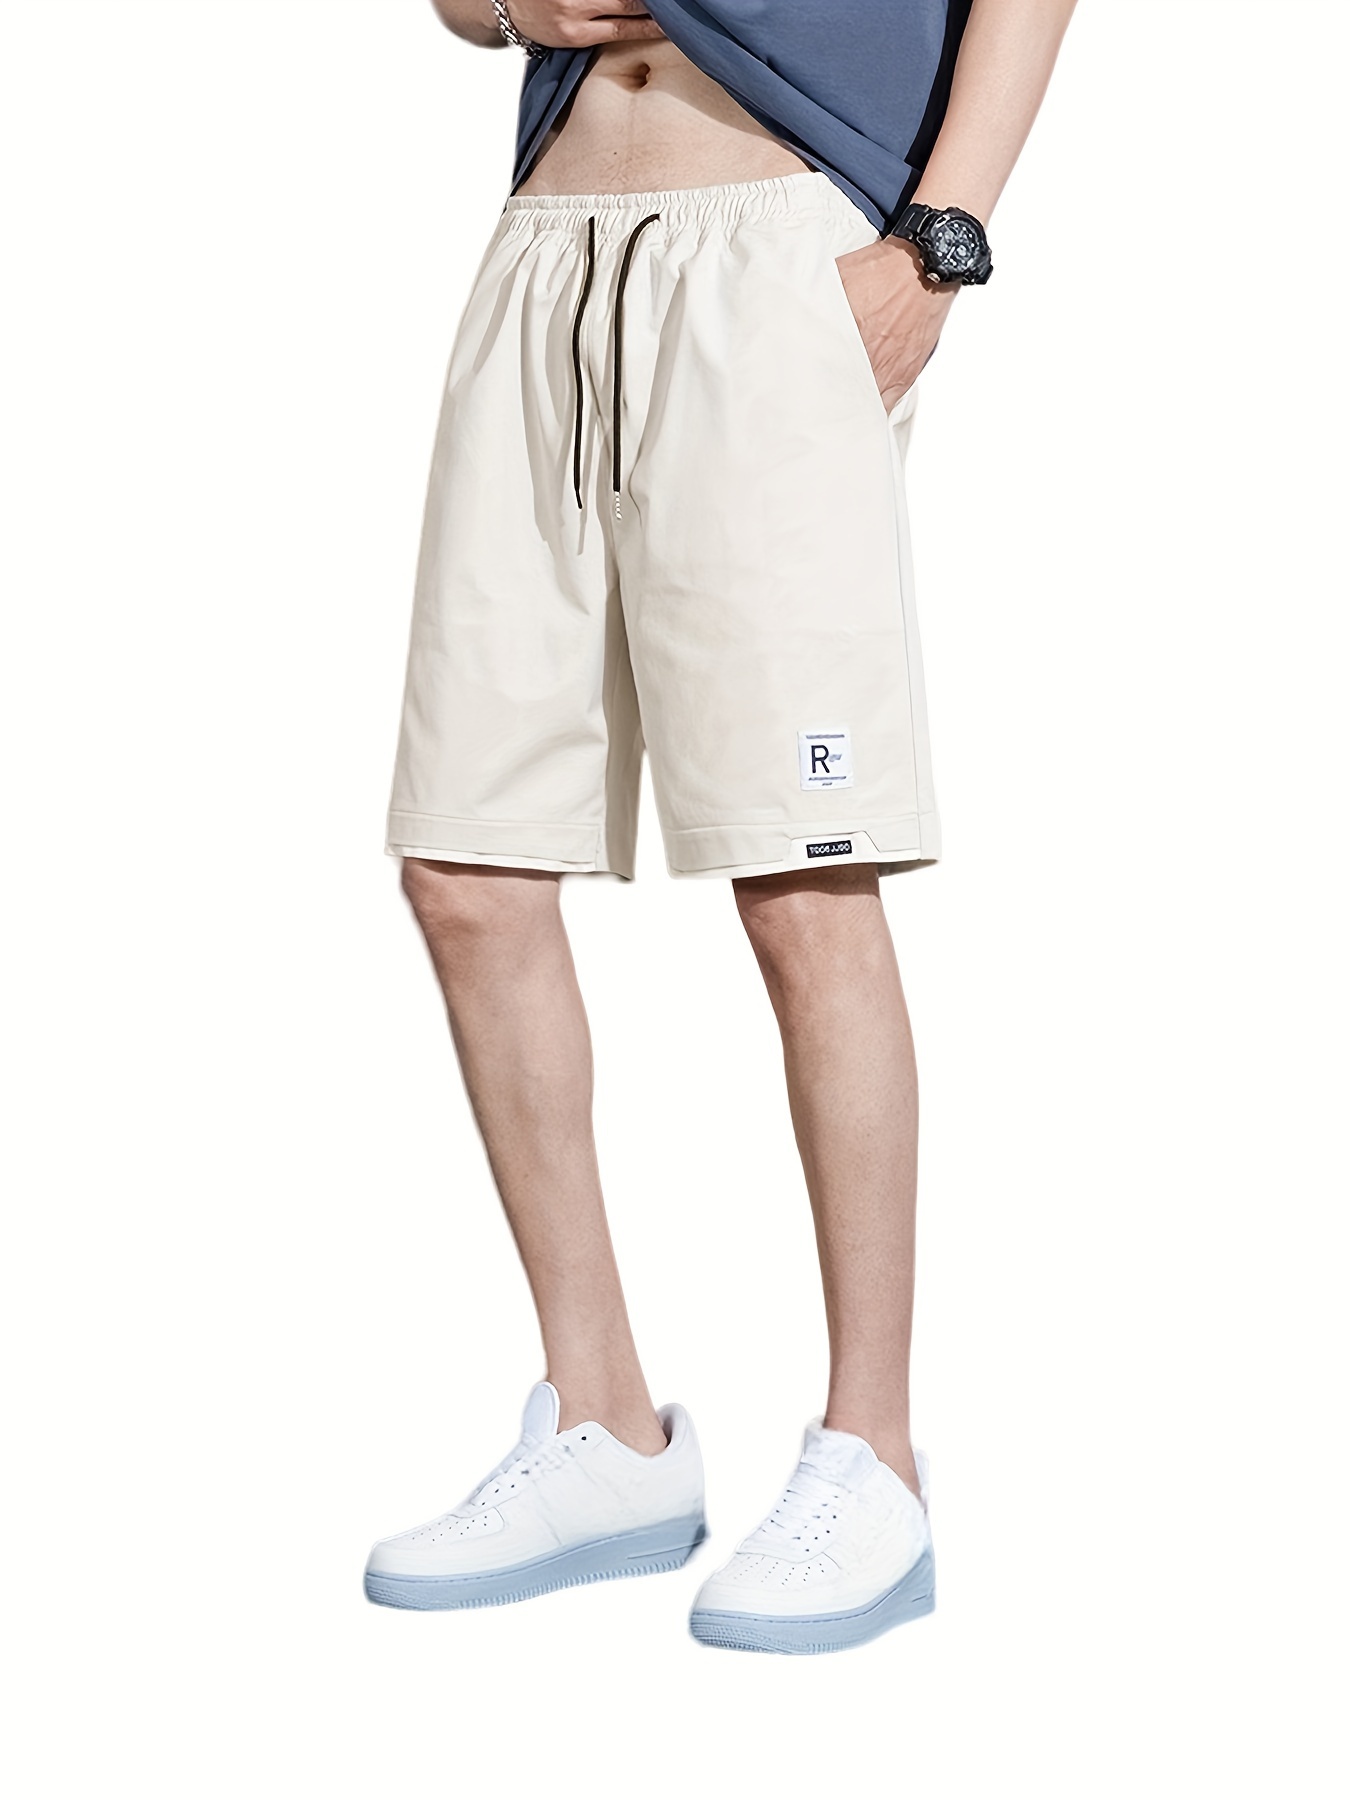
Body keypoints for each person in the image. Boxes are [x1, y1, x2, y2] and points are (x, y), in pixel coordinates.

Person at [365, 0, 1077, 1653]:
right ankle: (605, 1428)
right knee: (465, 869)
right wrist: (503, 7)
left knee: (800, 876)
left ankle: (872, 1456)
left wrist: (937, 249)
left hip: (776, 249)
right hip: (545, 245)